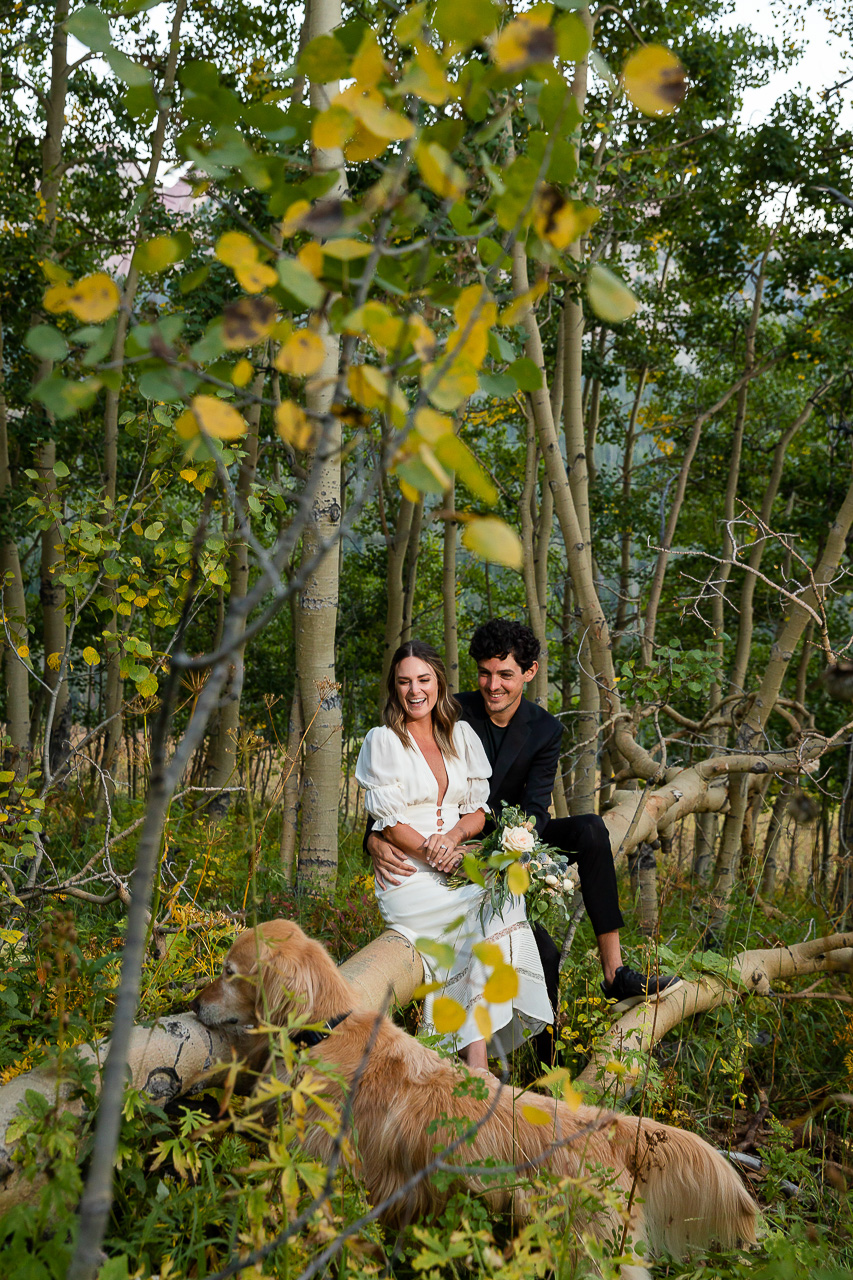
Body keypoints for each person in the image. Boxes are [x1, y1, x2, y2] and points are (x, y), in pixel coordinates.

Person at [368, 619, 679, 1009]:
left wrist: (514, 846)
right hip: (458, 843)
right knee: (545, 956)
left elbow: (536, 809)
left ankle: (615, 973)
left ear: (529, 673)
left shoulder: (544, 729)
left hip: (516, 837)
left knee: (591, 829)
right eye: (484, 673)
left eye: (505, 675)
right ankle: (534, 1063)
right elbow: (399, 780)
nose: (492, 685)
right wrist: (373, 837)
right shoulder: (452, 711)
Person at [355, 640, 553, 1072]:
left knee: (502, 903)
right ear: (394, 686)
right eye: (404, 682)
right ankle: (476, 1066)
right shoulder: (383, 741)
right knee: (476, 920)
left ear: (439, 684)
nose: (414, 691)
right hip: (408, 873)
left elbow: (478, 811)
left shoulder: (460, 734)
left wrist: (456, 838)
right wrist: (432, 848)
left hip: (453, 861)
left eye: (423, 680)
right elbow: (389, 822)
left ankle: (476, 1063)